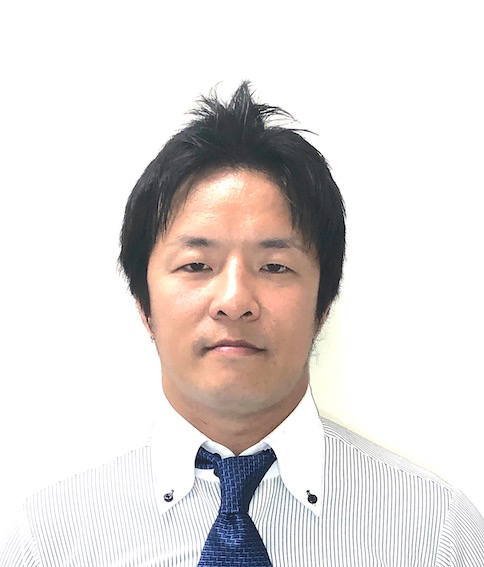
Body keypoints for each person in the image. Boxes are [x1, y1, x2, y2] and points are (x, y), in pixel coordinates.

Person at [1, 82, 483, 567]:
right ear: (144, 304)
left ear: (323, 304)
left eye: (274, 266)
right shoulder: (50, 539)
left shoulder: (434, 532)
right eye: (196, 265)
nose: (234, 301)